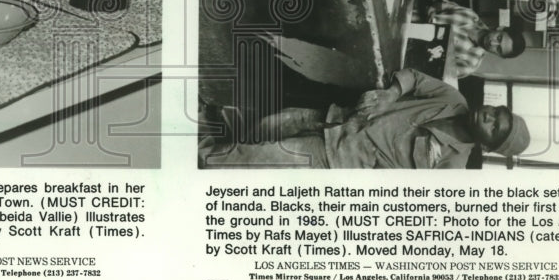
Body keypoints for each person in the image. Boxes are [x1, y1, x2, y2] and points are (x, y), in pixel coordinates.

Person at [199, 68, 530, 169]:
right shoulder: (453, 100)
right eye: (496, 112)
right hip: (335, 119)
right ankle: (218, 135)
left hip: (338, 157)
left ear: (489, 144)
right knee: (267, 127)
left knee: (259, 156)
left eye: (494, 126)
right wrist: (392, 94)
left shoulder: (452, 167)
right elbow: (414, 78)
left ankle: (199, 157)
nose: (488, 115)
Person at [426, 0, 526, 78]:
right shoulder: (470, 15)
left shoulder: (469, 65)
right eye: (499, 38)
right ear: (501, 28)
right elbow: (440, 5)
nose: (492, 43)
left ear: (499, 55)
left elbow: (432, 71)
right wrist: (428, 14)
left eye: (498, 49)